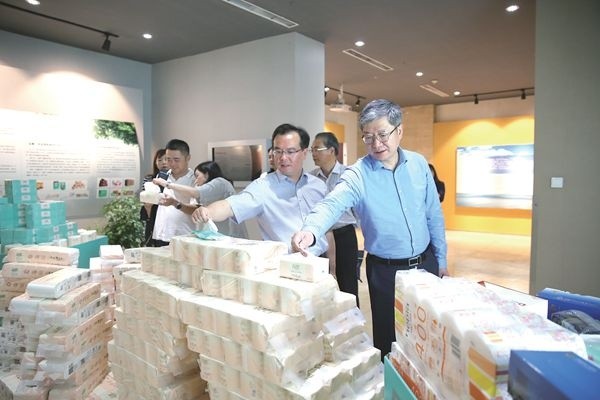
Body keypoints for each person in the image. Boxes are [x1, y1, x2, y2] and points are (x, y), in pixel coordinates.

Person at [292, 99, 447, 358]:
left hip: (425, 264)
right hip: (386, 272)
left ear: (399, 131)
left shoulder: (419, 164)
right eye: (368, 137)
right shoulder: (358, 174)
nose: (376, 144)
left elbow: (433, 214)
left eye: (382, 134)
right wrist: (310, 230)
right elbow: (331, 204)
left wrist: (441, 259)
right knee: (390, 343)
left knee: (427, 338)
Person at [192, 123, 328, 255]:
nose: (283, 157)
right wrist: (208, 211)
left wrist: (332, 264)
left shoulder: (318, 185)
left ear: (304, 153)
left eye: (290, 151)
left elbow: (327, 228)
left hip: (320, 261)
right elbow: (231, 205)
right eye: (278, 151)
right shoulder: (263, 187)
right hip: (285, 263)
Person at [310, 131, 360, 306]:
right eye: (311, 150)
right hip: (320, 237)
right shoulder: (311, 178)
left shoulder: (348, 174)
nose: (313, 154)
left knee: (348, 285)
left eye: (317, 149)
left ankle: (353, 319)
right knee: (321, 284)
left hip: (344, 235)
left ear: (332, 150)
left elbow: (359, 207)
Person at [153, 161, 248, 238]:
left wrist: (167, 184)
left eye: (197, 176)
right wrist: (174, 202)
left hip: (230, 237)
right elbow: (195, 209)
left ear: (206, 174)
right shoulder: (208, 193)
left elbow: (195, 192)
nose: (196, 180)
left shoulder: (220, 182)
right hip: (216, 237)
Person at [151, 139, 196, 247]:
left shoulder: (195, 179)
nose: (172, 164)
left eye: (176, 160)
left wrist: (174, 203)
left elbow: (196, 209)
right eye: (168, 159)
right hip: (162, 234)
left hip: (185, 236)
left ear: (188, 158)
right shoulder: (162, 176)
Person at [140, 149, 168, 245]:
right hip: (152, 214)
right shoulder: (149, 179)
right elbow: (145, 199)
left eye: (166, 159)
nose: (163, 162)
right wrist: (149, 213)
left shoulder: (173, 180)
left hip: (168, 216)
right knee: (151, 243)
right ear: (155, 163)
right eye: (160, 160)